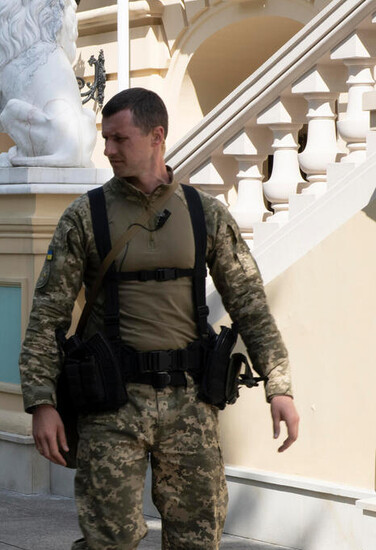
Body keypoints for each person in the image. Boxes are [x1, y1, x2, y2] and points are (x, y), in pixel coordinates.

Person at [19, 87, 300, 549]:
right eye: (104, 138)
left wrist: (279, 385)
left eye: (119, 139)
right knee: (109, 540)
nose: (108, 150)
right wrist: (41, 402)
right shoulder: (84, 217)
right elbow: (47, 315)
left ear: (157, 136)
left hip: (190, 403)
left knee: (197, 538)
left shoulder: (203, 213)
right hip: (110, 404)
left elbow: (249, 302)